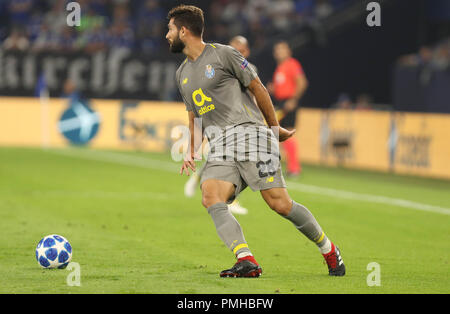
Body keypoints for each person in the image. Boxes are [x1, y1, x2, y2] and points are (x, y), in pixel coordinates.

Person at [166, 4, 345, 277]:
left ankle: (328, 248)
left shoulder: (224, 54)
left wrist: (274, 128)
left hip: (250, 134)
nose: (166, 35)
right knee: (211, 196)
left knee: (280, 204)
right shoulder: (182, 74)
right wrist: (191, 150)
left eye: (170, 30)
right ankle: (246, 259)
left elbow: (258, 87)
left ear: (184, 30)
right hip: (221, 144)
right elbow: (196, 118)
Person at [184, 35, 261, 216]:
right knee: (227, 159)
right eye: (234, 49)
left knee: (228, 159)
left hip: (244, 122)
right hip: (221, 121)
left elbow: (255, 95)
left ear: (247, 52)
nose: (237, 53)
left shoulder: (250, 69)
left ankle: (199, 181)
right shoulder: (215, 68)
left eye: (241, 51)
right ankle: (228, 199)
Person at [268, 41, 308, 177]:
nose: (279, 52)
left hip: (289, 102)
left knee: (287, 133)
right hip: (280, 102)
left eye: (282, 49)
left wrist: (294, 100)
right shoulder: (280, 67)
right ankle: (279, 165)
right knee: (276, 133)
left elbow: (302, 82)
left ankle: (294, 168)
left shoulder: (292, 64)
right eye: (277, 49)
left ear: (289, 52)